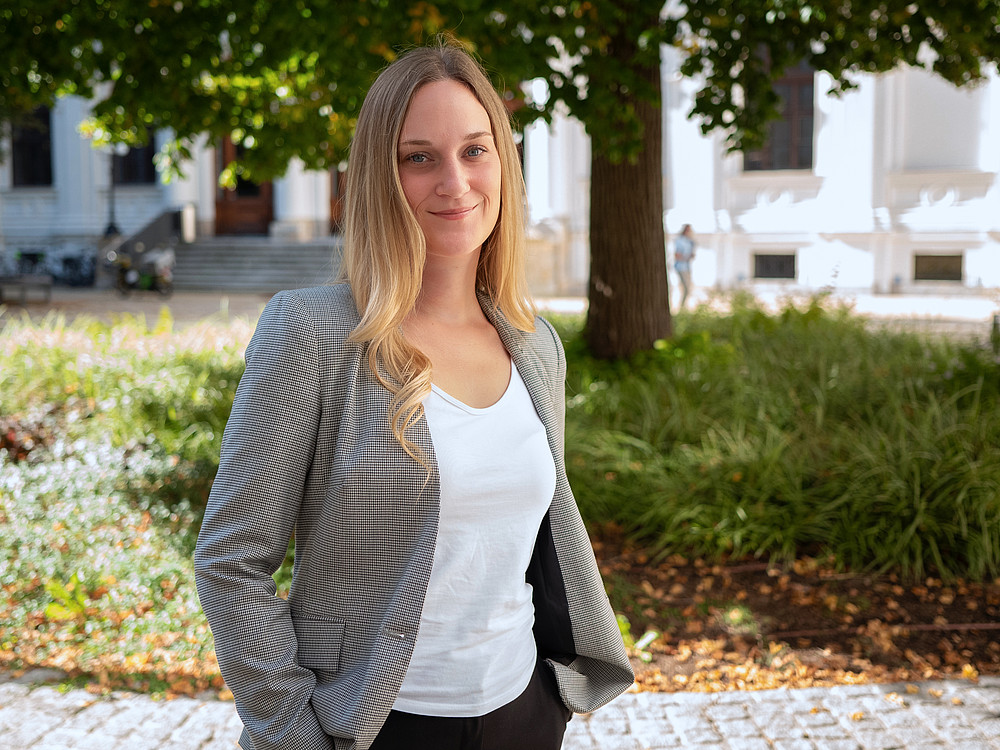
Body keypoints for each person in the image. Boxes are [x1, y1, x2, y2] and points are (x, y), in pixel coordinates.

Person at [194, 41, 634, 750]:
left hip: (523, 715)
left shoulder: (534, 345)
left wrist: (549, 705)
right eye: (418, 157)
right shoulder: (311, 332)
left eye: (474, 151)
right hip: (370, 726)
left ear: (503, 163)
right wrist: (294, 733)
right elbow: (230, 558)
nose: (454, 182)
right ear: (379, 177)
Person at [673, 224, 696, 309]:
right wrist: (686, 257)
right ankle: (682, 308)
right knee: (686, 288)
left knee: (689, 288)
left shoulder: (690, 241)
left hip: (687, 267)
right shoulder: (679, 241)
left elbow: (691, 254)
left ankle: (684, 307)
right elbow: (677, 255)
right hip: (680, 267)